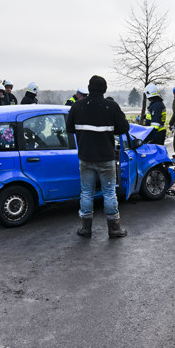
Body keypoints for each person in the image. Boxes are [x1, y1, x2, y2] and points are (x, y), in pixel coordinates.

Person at [66, 75, 130, 239]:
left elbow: (70, 128)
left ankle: (86, 229)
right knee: (109, 192)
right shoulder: (111, 106)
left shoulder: (77, 106)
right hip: (106, 158)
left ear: (89, 88)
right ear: (104, 89)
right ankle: (114, 229)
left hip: (85, 158)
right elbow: (124, 127)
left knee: (86, 192)